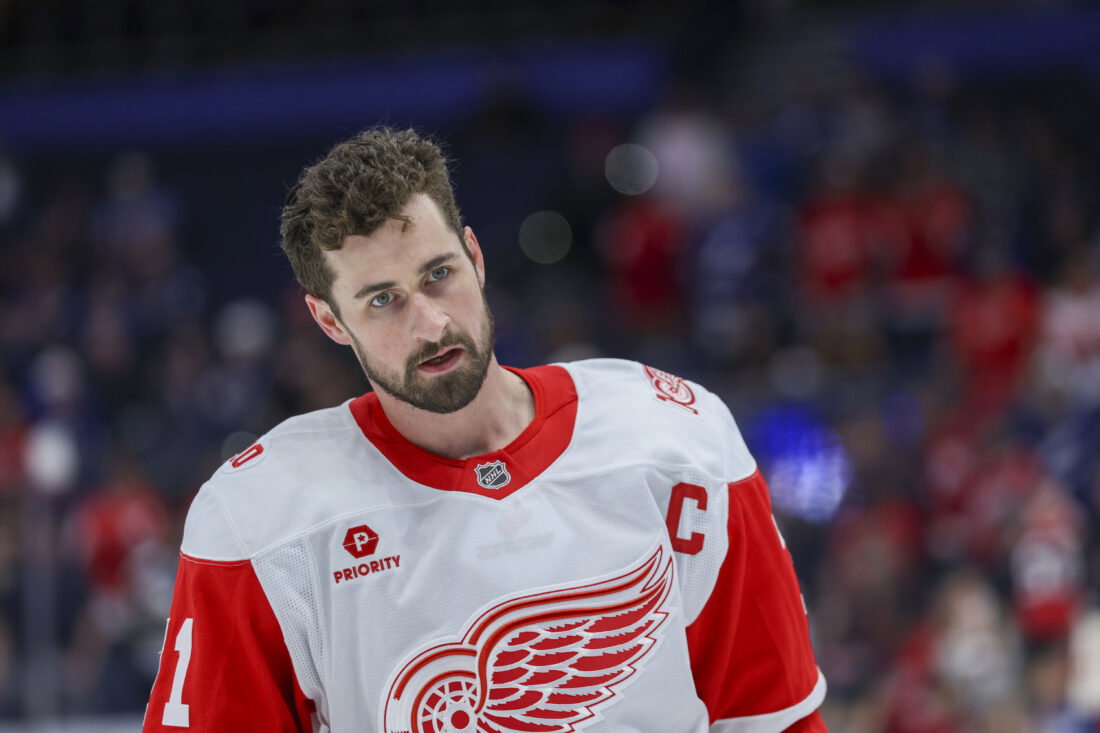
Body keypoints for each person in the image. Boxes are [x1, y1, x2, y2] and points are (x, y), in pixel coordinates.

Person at [142, 127, 827, 732]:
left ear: (474, 254)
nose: (431, 324)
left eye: (439, 274)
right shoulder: (259, 520)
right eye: (382, 300)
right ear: (327, 319)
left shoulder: (677, 439)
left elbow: (777, 716)